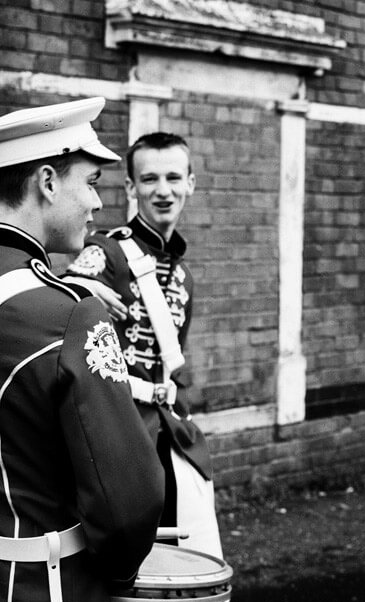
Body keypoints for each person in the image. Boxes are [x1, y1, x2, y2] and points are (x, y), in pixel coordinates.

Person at [0, 97, 164, 602]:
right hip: (39, 595)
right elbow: (128, 505)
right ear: (47, 182)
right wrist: (117, 570)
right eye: (91, 182)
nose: (98, 204)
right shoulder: (67, 314)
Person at [63, 132, 223, 558]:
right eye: (149, 179)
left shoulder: (184, 275)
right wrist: (81, 289)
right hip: (119, 433)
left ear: (191, 183)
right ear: (132, 189)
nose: (163, 190)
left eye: (174, 177)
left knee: (192, 555)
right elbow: (64, 288)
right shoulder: (110, 250)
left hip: (167, 430)